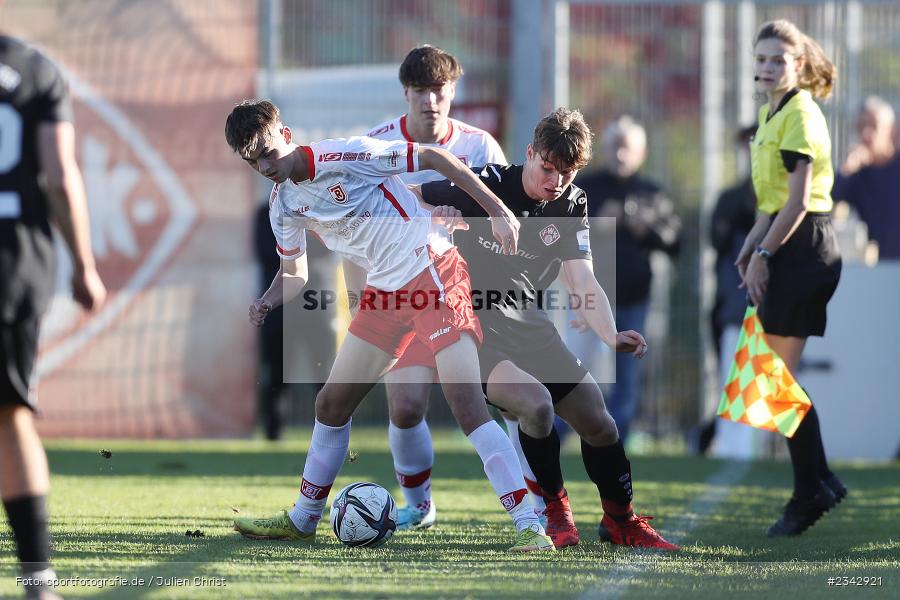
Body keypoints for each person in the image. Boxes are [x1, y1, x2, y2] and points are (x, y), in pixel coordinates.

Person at [225, 100, 553, 552]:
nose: (264, 165)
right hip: (385, 291)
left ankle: (530, 524)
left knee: (465, 403)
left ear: (286, 132)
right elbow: (294, 274)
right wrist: (266, 302)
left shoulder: (345, 155)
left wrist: (497, 209)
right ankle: (303, 519)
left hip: (432, 270)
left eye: (267, 152)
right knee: (331, 405)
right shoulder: (283, 205)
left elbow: (435, 157)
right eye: (252, 160)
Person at [413, 108, 679, 550]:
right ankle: (555, 514)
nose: (556, 181)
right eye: (548, 169)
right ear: (530, 153)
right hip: (473, 332)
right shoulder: (486, 185)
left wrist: (610, 335)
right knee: (535, 406)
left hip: (530, 326)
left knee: (600, 424)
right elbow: (409, 197)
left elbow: (580, 277)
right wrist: (431, 217)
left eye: (568, 173)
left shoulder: (572, 202)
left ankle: (621, 521)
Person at [352, 44, 545, 529]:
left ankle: (536, 505)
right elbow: (357, 233)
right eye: (420, 90)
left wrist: (470, 218)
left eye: (439, 90)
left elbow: (509, 220)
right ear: (406, 93)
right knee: (406, 406)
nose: (430, 100)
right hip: (403, 292)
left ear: (452, 92)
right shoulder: (376, 146)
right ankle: (419, 505)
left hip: (469, 295)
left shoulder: (480, 147)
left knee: (495, 402)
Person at [0, 33, 107, 599]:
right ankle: (39, 582)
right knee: (10, 414)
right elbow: (60, 177)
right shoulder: (35, 69)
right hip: (15, 260)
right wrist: (84, 266)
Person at [737, 20, 846, 536]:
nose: (767, 68)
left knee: (775, 380)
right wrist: (750, 247)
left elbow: (800, 202)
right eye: (761, 59)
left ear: (798, 64)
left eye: (777, 60)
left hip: (804, 247)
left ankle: (811, 492)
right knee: (772, 379)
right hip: (785, 241)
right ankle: (819, 480)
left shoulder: (800, 112)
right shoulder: (769, 113)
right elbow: (772, 201)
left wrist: (763, 252)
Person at [568, 116, 681, 443]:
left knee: (626, 379)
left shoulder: (652, 194)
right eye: (615, 146)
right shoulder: (586, 188)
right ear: (604, 149)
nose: (620, 154)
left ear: (641, 153)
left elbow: (675, 241)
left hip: (634, 299)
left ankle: (614, 443)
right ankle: (551, 435)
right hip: (586, 299)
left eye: (627, 148)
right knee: (569, 371)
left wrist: (644, 225)